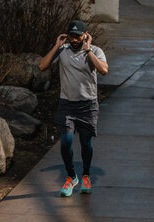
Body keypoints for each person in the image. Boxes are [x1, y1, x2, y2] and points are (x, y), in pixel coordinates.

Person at [39, 19, 109, 197]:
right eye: (72, 36)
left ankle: (85, 175)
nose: (75, 39)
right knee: (66, 142)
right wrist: (56, 46)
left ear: (85, 35)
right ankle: (71, 176)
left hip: (88, 104)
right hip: (67, 104)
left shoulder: (95, 51)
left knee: (86, 143)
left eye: (78, 36)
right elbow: (42, 66)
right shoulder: (63, 51)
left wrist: (88, 51)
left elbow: (104, 71)